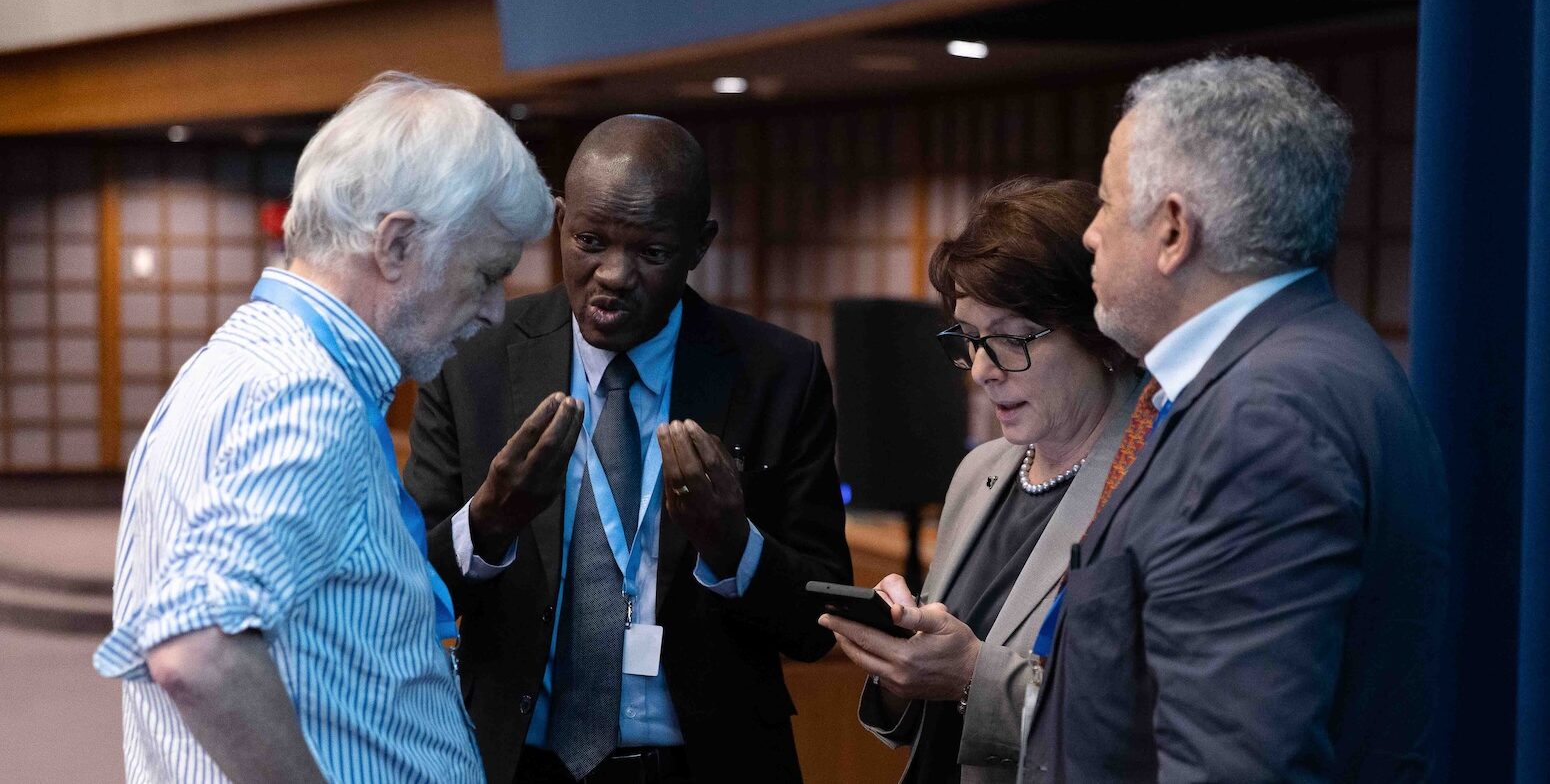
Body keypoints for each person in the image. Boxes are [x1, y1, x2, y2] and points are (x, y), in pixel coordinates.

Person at [92, 72, 556, 783]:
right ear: (396, 245)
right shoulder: (306, 395)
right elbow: (197, 648)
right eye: (485, 273)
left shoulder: (233, 363)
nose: (495, 308)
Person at [1028, 55, 1448, 782]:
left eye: (1104, 203)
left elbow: (1236, 762)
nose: (1090, 234)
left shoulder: (1265, 418)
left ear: (1171, 231)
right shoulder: (1319, 363)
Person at [403, 113, 852, 784]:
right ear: (560, 220)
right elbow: (404, 584)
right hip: (511, 759)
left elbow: (821, 623)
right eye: (590, 240)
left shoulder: (778, 373)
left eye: (650, 252)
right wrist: (490, 520)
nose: (612, 274)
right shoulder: (474, 359)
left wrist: (735, 547)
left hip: (704, 764)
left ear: (700, 244)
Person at [819, 177, 1152, 783]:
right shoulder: (981, 471)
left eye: (1011, 339)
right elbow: (933, 717)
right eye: (971, 340)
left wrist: (972, 674)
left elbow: (1141, 714)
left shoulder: (1154, 480)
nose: (981, 371)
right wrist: (903, 662)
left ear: (1100, 331)